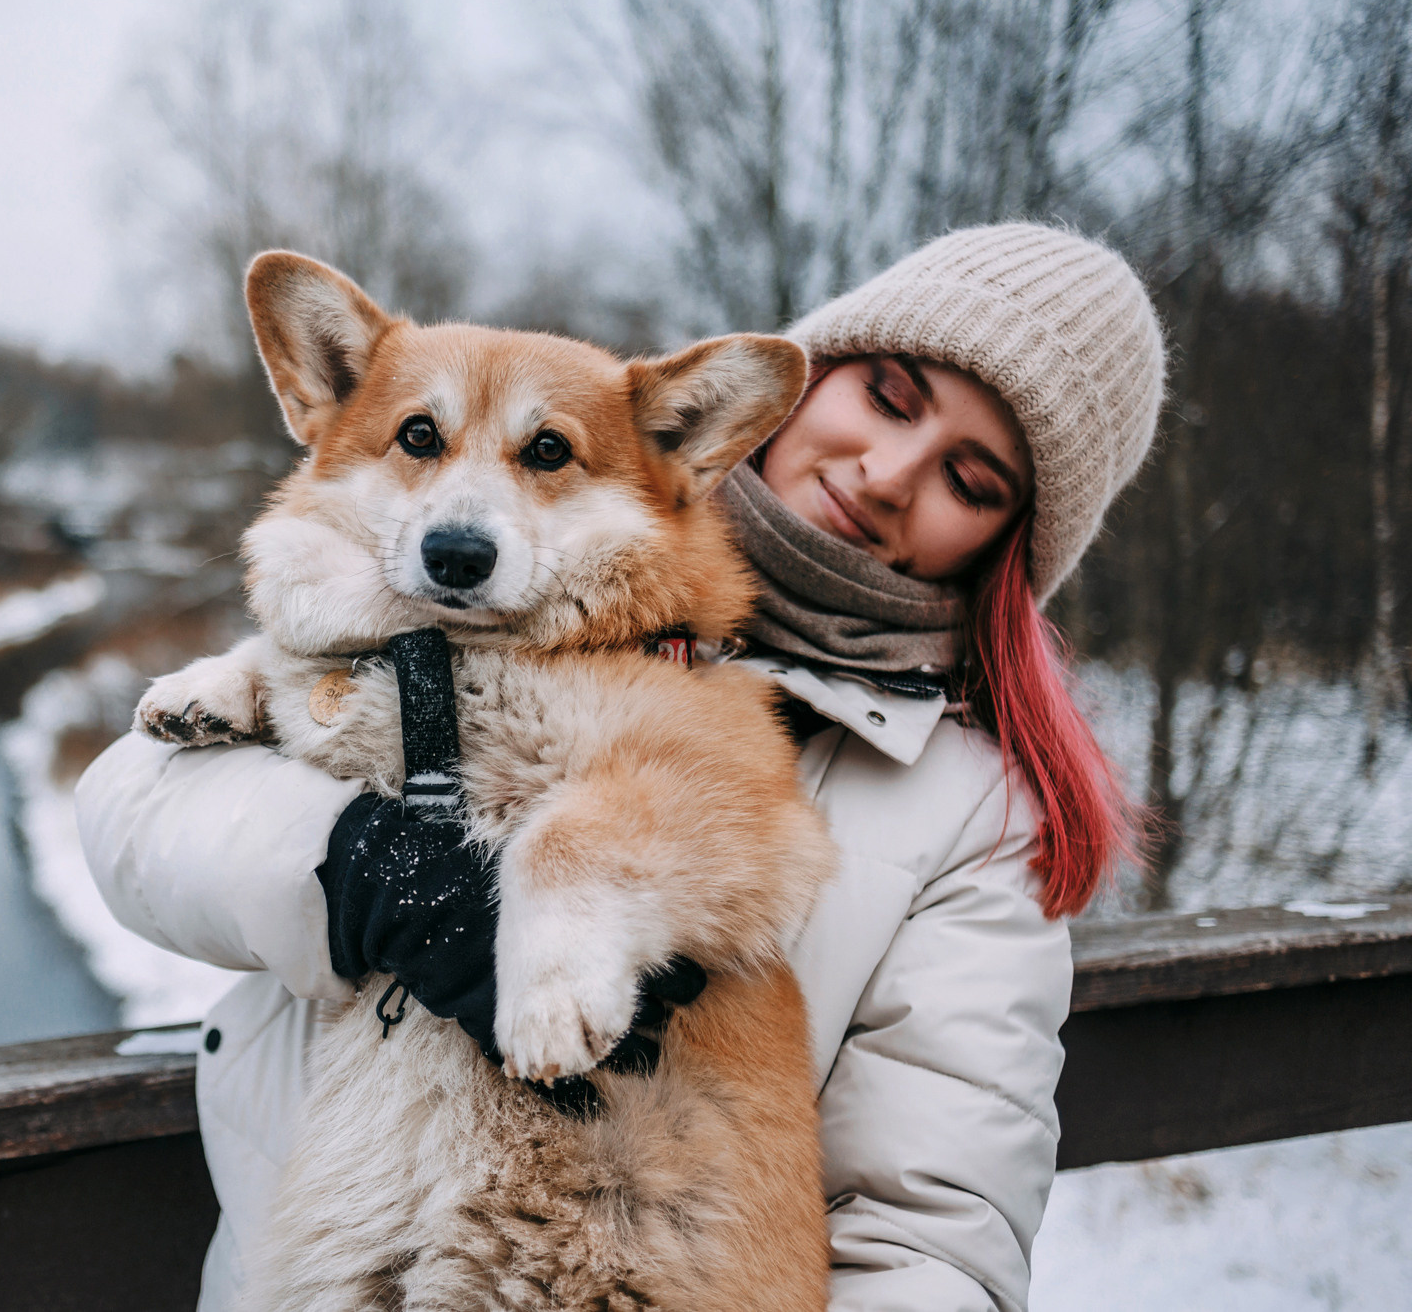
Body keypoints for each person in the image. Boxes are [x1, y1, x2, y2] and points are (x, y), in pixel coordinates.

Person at [75, 222, 1165, 1312]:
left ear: (1010, 540)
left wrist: (585, 880)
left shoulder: (970, 806)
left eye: (967, 479)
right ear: (819, 371)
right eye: (886, 397)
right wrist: (350, 869)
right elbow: (131, 819)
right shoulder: (390, 602)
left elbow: (937, 1235)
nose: (886, 474)